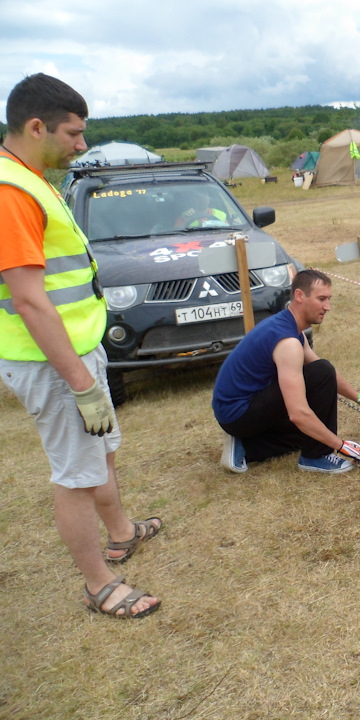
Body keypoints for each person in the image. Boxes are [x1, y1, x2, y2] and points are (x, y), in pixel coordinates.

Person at [0, 73, 161, 619]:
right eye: (73, 133)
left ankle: (120, 533)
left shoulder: (34, 177)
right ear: (36, 125)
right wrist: (80, 381)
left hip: (77, 352)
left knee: (102, 451)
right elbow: (29, 301)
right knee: (77, 474)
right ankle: (99, 584)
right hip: (52, 363)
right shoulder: (11, 191)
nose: (81, 144)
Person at [213, 269, 360, 474]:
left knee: (311, 430)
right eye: (322, 299)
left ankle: (245, 446)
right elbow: (298, 412)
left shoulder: (292, 329)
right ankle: (315, 457)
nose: (328, 307)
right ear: (299, 296)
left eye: (329, 299)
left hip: (237, 411)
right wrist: (339, 444)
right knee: (319, 383)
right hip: (237, 413)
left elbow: (327, 375)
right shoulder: (288, 342)